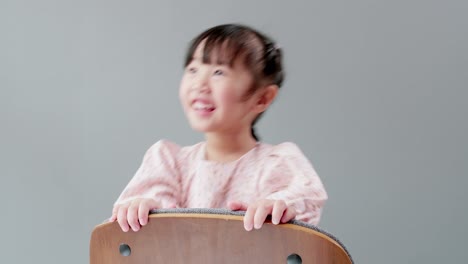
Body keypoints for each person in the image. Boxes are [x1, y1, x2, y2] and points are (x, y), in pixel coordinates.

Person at [109, 24, 327, 233]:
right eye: (193, 69)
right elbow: (154, 230)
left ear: (262, 98)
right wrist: (140, 209)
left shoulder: (278, 162)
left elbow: (305, 199)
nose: (199, 84)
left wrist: (279, 209)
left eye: (218, 72)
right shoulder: (169, 162)